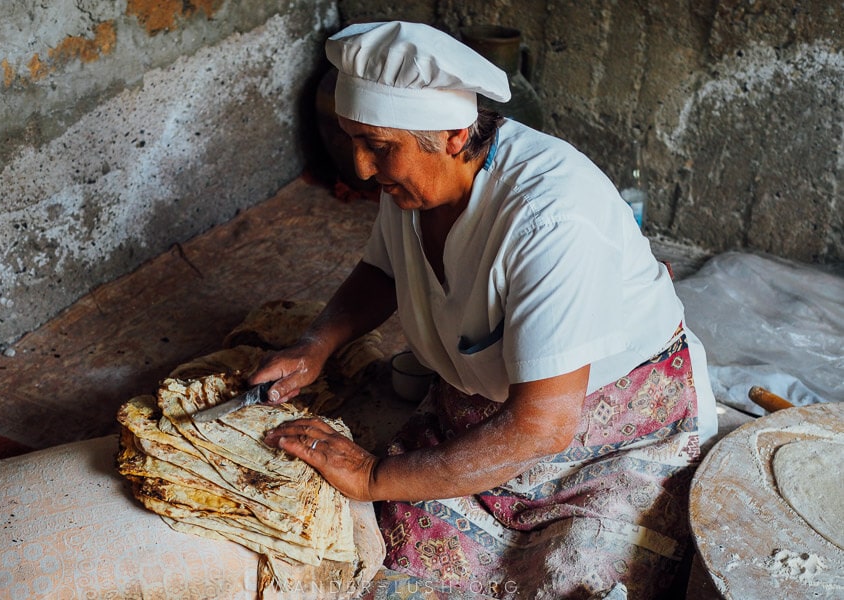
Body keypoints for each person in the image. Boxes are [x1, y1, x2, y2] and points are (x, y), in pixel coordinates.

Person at [257, 21, 718, 600]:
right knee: (387, 558)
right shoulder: (414, 184)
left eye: (377, 145)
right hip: (488, 412)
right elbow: (383, 270)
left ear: (453, 134)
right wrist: (317, 344)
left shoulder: (551, 220)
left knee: (577, 577)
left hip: (606, 427)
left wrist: (373, 475)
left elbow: (541, 426)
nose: (361, 167)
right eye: (353, 139)